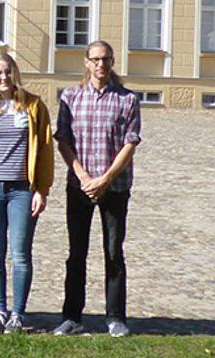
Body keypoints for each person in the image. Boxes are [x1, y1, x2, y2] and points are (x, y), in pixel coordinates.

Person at [52, 40, 142, 338]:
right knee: (76, 253)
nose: (100, 64)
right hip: (79, 187)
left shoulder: (127, 99)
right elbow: (62, 140)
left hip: (114, 188)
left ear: (112, 62)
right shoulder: (71, 97)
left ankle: (115, 317)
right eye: (95, 59)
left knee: (114, 252)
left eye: (105, 59)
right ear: (86, 62)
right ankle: (72, 317)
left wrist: (104, 179)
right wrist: (82, 176)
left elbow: (130, 143)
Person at [0, 52, 53, 335]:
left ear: (15, 73)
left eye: (7, 72)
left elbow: (46, 151)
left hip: (22, 191)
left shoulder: (33, 106)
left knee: (20, 254)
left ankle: (18, 314)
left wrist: (41, 189)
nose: (3, 78)